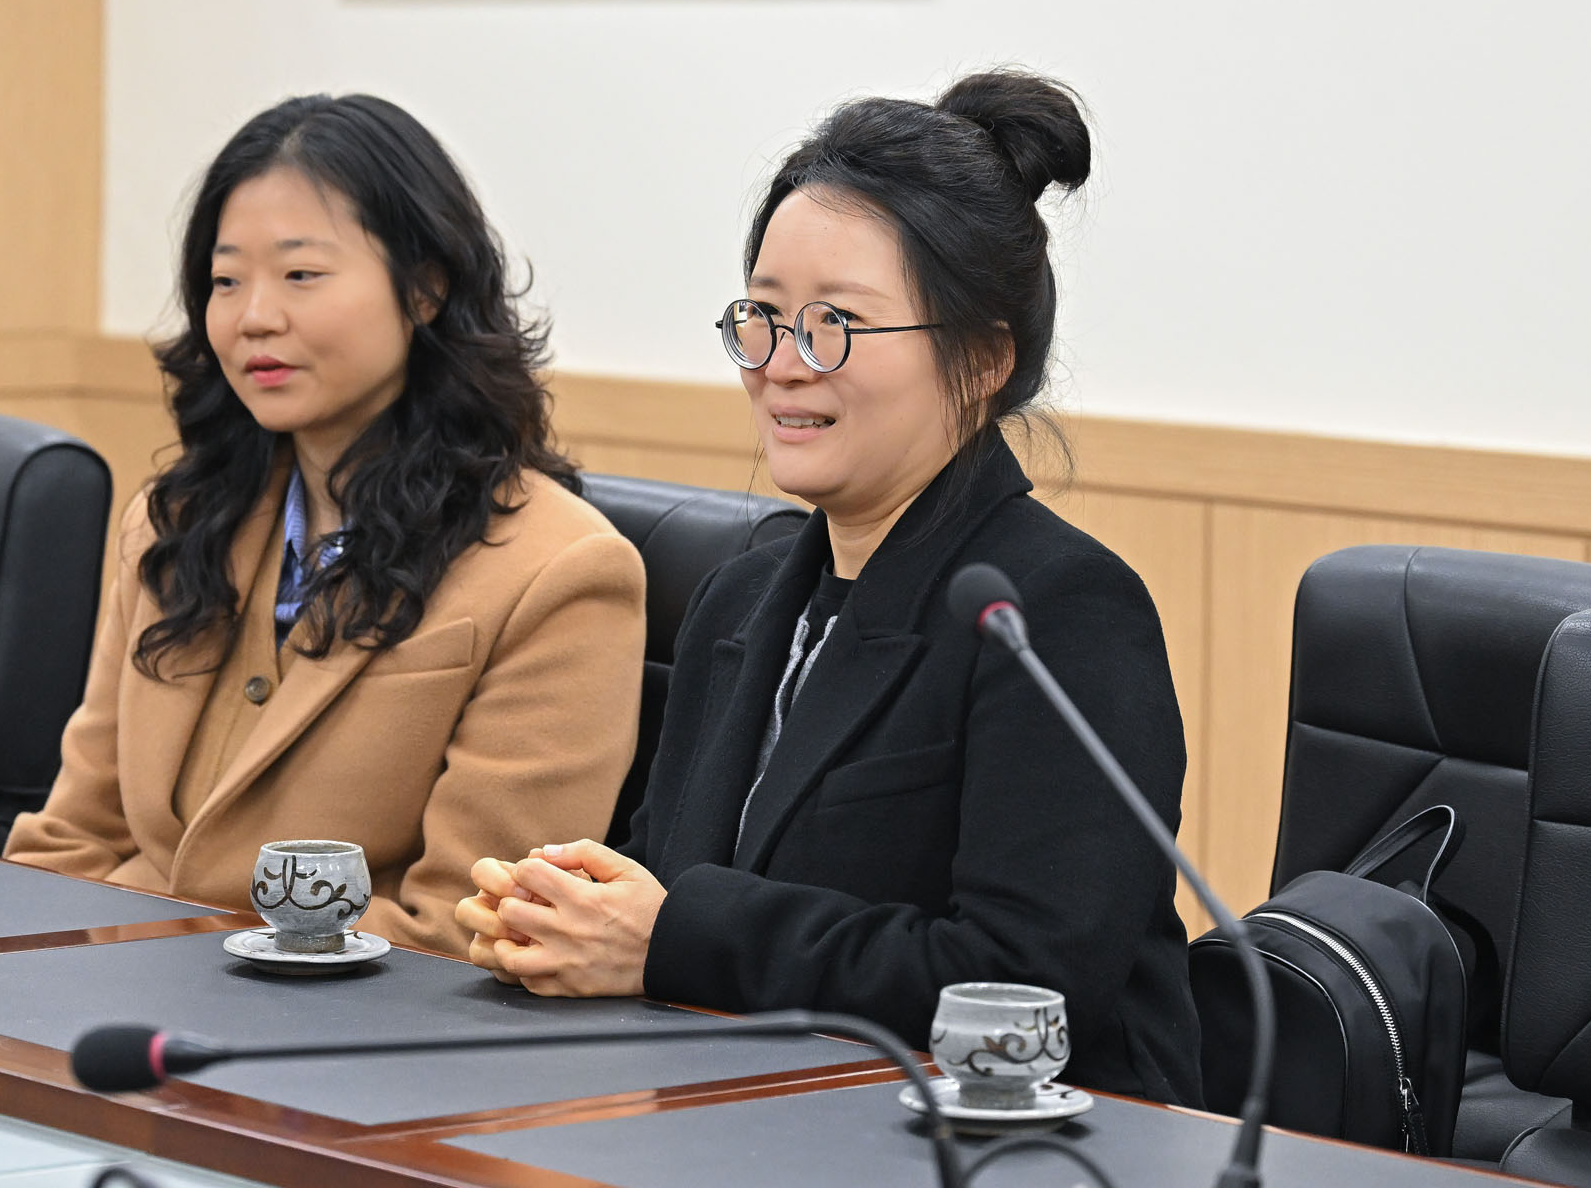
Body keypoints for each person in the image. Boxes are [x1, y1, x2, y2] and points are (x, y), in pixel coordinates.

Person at [456, 71, 1203, 1104]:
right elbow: (664, 883)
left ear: (982, 358)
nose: (782, 365)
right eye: (762, 317)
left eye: (835, 323)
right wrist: (558, 911)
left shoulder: (1058, 609)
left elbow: (1027, 983)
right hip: (740, 1114)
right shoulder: (741, 596)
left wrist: (672, 938)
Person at [7, 94, 646, 956]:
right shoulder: (173, 522)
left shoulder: (560, 570)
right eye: (225, 281)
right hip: (114, 997)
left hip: (345, 1019)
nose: (254, 316)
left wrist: (169, 965)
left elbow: (465, 926)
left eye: (300, 275)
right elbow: (71, 841)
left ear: (425, 288)